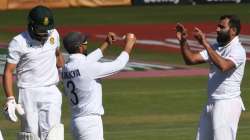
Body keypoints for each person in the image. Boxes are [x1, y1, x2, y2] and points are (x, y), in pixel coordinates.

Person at [176, 15, 246, 140]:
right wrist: (183, 41)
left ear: (233, 31)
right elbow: (190, 59)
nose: (217, 29)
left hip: (227, 103)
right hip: (211, 102)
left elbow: (224, 66)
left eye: (222, 27)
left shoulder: (238, 50)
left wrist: (204, 43)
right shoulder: (217, 47)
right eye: (217, 26)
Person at [3, 5, 64, 140]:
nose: (44, 34)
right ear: (31, 25)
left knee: (54, 134)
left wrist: (64, 73)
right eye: (40, 30)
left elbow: (57, 54)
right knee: (30, 135)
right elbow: (8, 72)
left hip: (51, 90)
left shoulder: (54, 34)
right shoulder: (18, 42)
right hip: (28, 92)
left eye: (47, 30)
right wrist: (10, 99)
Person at [61, 31, 136, 140]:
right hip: (90, 124)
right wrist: (129, 44)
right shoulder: (87, 67)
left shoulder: (66, 68)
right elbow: (118, 64)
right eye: (85, 43)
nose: (87, 44)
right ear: (80, 48)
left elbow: (86, 61)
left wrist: (106, 43)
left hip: (75, 122)